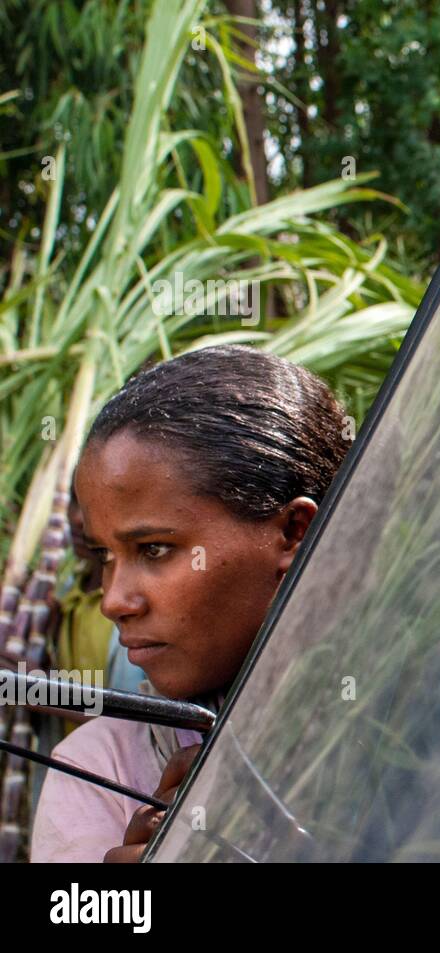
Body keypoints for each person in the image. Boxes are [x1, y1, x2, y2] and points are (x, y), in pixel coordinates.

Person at [31, 345, 350, 862]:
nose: (113, 602)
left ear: (294, 531)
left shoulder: (402, 722)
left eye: (154, 549)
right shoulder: (97, 770)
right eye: (103, 555)